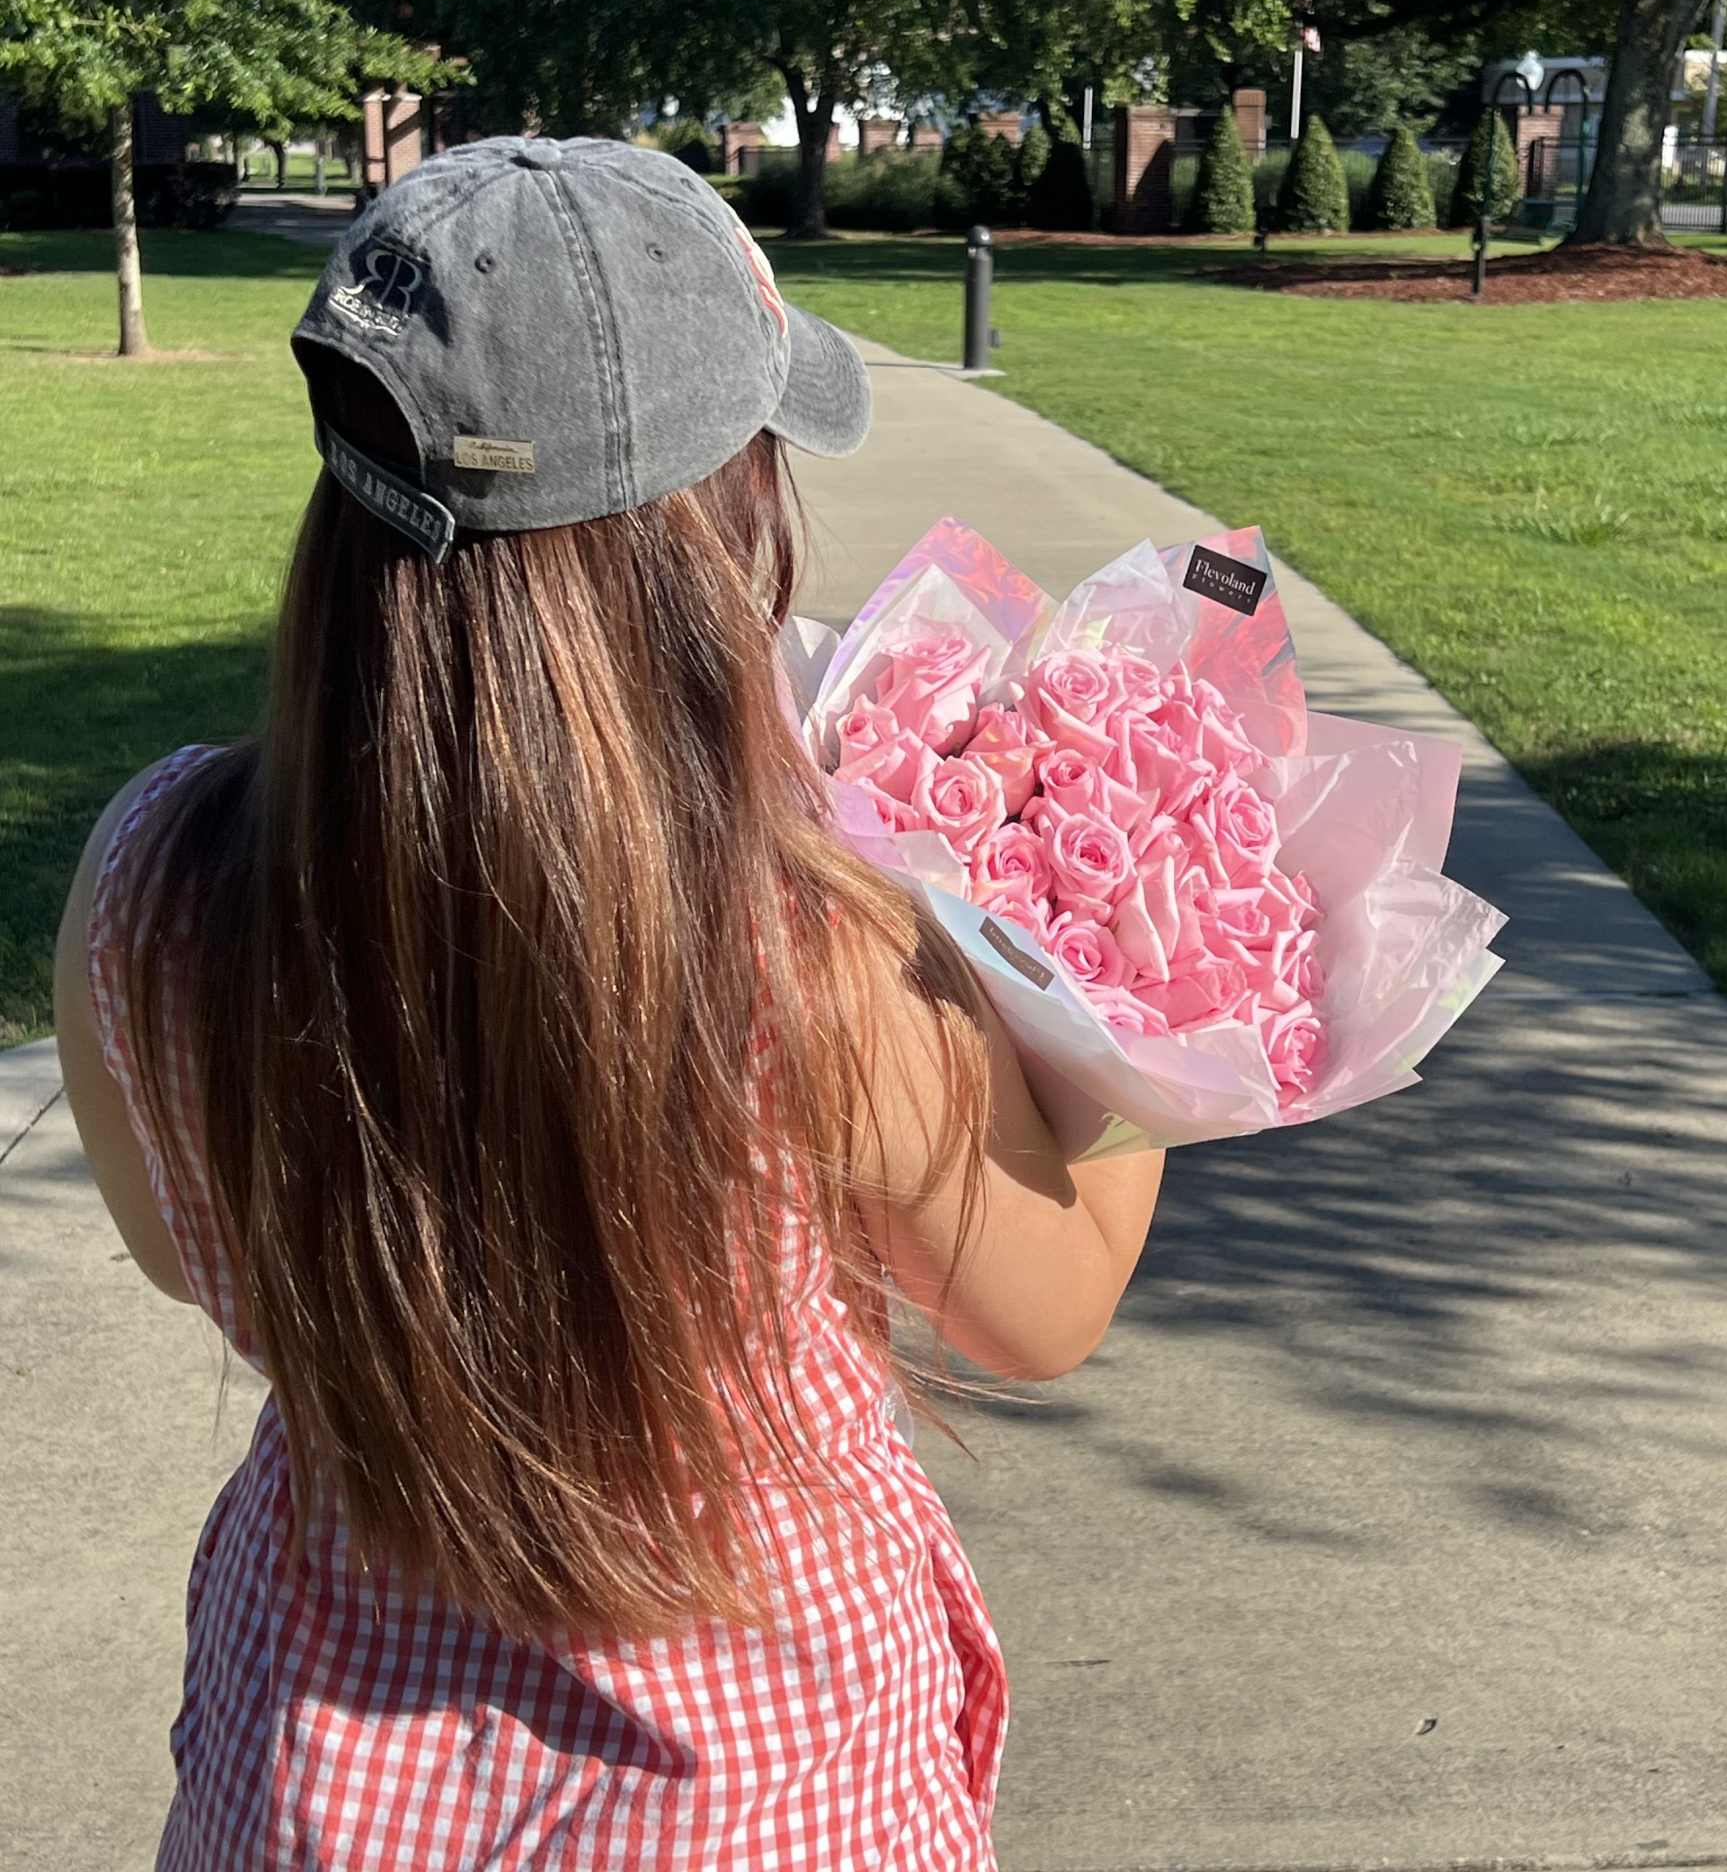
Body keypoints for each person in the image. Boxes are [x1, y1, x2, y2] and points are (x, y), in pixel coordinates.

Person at [52, 137, 1166, 1870]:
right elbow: (1051, 1303)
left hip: (320, 1781)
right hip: (764, 1788)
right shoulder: (810, 944)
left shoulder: (152, 870)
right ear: (715, 518)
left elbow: (184, 1247)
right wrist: (1104, 985)